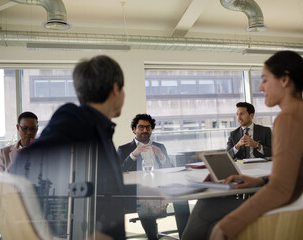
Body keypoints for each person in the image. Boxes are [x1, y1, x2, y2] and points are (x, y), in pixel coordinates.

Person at [182, 51, 303, 240]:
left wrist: (227, 226)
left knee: (206, 207)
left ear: (284, 80)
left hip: (298, 211)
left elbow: (281, 189)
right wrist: (260, 181)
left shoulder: (289, 117)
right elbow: (302, 172)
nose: (260, 86)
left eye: (265, 79)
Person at [10, 55, 143, 240]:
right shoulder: (76, 119)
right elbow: (27, 162)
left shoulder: (99, 129)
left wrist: (139, 192)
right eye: (123, 89)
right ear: (115, 89)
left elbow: (101, 191)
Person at [118, 114, 189, 240]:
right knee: (145, 199)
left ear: (151, 129)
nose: (145, 130)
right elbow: (119, 171)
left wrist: (161, 156)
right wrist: (134, 154)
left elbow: (170, 169)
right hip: (139, 191)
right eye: (141, 127)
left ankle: (186, 236)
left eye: (148, 127)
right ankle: (152, 238)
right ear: (134, 129)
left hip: (162, 188)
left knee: (182, 198)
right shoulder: (124, 149)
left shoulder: (160, 146)